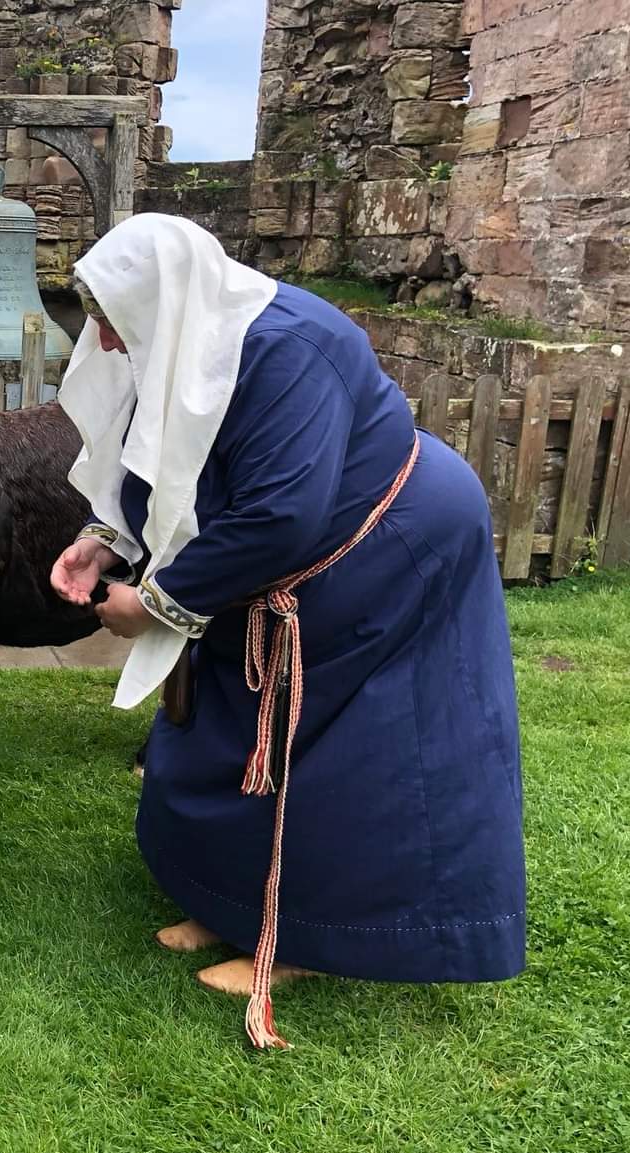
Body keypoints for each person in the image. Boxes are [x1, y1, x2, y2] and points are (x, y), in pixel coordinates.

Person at [50, 214, 525, 1049]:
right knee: (234, 719)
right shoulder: (176, 339)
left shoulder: (289, 349)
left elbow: (279, 515)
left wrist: (155, 603)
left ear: (163, 300)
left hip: (389, 550)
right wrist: (106, 540)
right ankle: (227, 903)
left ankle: (305, 940)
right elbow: (158, 461)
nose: (107, 341)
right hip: (285, 562)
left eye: (113, 320)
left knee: (337, 750)